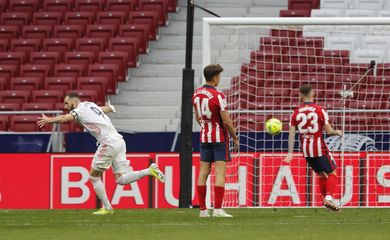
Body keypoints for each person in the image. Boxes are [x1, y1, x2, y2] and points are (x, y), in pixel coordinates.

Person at [37, 93, 165, 215]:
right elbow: (101, 109)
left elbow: (65, 118)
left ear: (74, 101)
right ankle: (149, 171)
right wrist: (109, 108)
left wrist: (49, 120)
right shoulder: (89, 104)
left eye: (66, 103)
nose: (65, 107)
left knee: (93, 177)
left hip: (108, 144)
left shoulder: (79, 110)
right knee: (120, 179)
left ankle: (108, 208)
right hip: (119, 141)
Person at [283, 84, 342, 211]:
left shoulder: (295, 112)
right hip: (319, 147)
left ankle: (326, 202)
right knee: (333, 173)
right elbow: (328, 131)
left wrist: (290, 153)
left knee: (321, 175)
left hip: (306, 150)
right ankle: (329, 198)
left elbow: (292, 134)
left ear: (300, 95)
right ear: (313, 94)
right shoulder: (320, 110)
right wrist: (337, 132)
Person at [192, 64, 239, 218]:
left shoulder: (196, 94)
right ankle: (218, 209)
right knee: (220, 173)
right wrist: (234, 137)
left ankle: (203, 210)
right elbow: (226, 121)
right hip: (219, 138)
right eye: (219, 76)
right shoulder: (218, 95)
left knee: (203, 173)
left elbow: (197, 117)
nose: (220, 78)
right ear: (214, 77)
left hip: (204, 137)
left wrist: (206, 126)